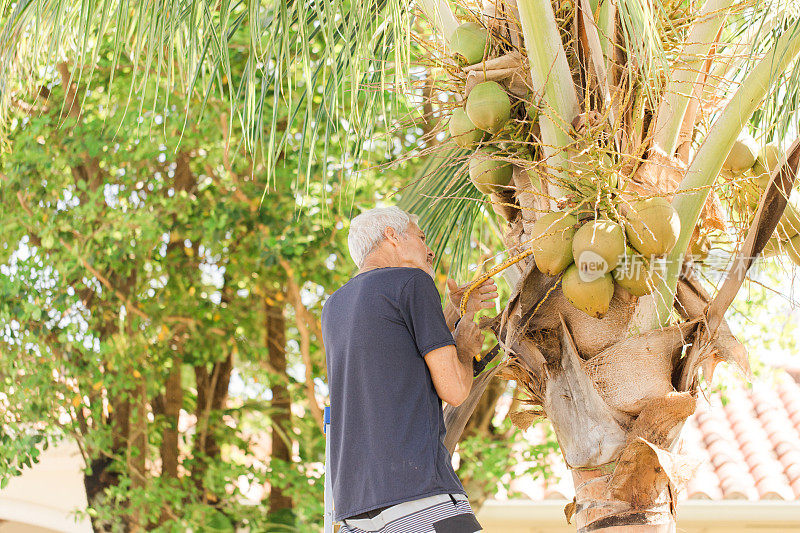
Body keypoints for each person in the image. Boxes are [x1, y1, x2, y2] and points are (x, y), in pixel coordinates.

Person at [322, 206, 498, 533]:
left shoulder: (335, 305)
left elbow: (400, 351)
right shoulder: (411, 281)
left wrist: (453, 311)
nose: (429, 249)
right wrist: (464, 343)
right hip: (417, 494)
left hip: (353, 510)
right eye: (421, 238)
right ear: (392, 236)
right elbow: (455, 390)